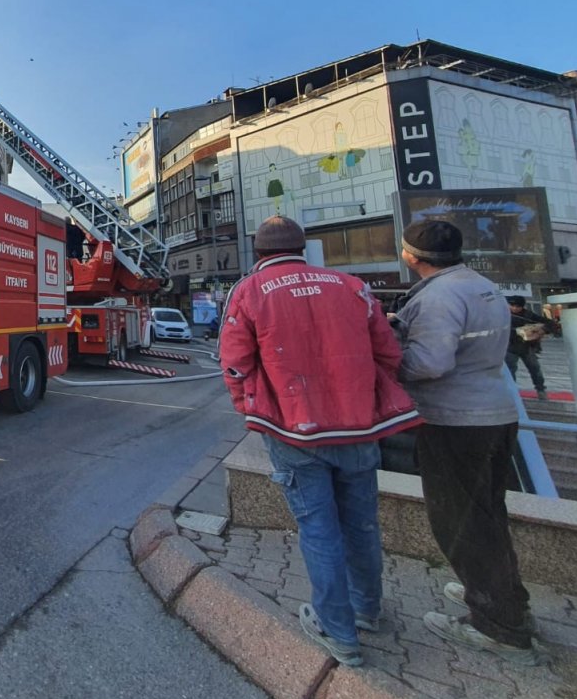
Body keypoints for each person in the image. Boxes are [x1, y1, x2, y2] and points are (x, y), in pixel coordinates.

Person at [220, 216, 420, 667]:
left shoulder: (249, 292)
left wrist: (251, 407)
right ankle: (367, 608)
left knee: (318, 527)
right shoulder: (352, 287)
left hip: (294, 429)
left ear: (258, 252)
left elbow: (234, 363)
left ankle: (338, 630)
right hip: (357, 427)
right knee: (362, 523)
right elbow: (389, 353)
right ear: (303, 248)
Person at [393, 220, 537, 665]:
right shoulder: (483, 286)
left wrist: (389, 360)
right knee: (489, 514)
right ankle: (504, 596)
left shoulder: (437, 297)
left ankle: (497, 625)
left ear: (411, 256)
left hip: (456, 421)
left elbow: (430, 363)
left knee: (460, 520)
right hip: (497, 413)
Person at [504, 295, 557, 401]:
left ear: (522, 306)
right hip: (510, 346)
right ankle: (512, 392)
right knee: (510, 371)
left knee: (535, 369)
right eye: (512, 305)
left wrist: (542, 331)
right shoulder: (503, 314)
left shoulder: (528, 315)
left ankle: (541, 390)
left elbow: (550, 323)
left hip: (527, 347)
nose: (514, 308)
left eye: (517, 306)